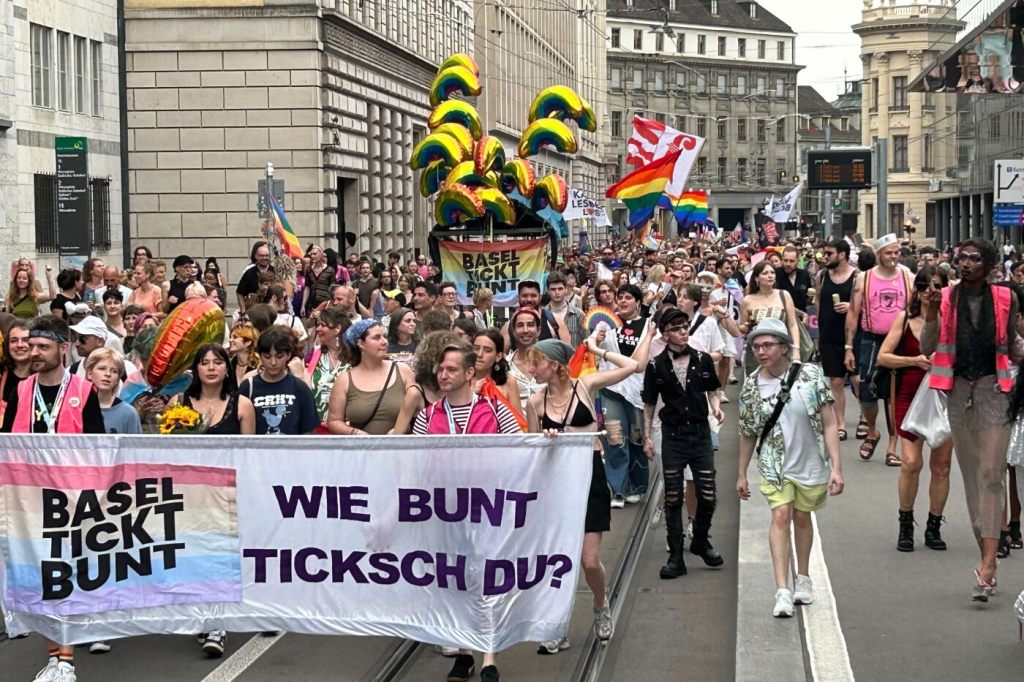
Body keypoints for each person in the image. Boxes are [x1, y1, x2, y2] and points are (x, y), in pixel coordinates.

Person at [1, 315, 104, 682]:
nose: (34, 352)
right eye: (31, 346)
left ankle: (66, 657)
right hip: (29, 500)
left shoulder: (84, 390)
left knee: (66, 574)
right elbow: (5, 443)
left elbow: (98, 447)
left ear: (63, 348)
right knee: (42, 576)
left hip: (71, 498)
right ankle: (57, 657)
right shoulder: (21, 390)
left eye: (43, 346)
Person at [920, 238, 1020, 601]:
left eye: (974, 259)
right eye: (961, 258)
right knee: (973, 479)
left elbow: (1011, 344)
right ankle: (985, 551)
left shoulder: (1006, 298)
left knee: (992, 476)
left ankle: (989, 563)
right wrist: (930, 313)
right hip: (958, 392)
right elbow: (927, 347)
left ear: (991, 265)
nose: (965, 264)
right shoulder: (945, 298)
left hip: (996, 390)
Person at [528, 336, 640, 651]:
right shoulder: (535, 402)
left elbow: (632, 365)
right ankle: (557, 623)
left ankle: (601, 602)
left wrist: (598, 350)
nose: (532, 369)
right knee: (559, 560)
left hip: (589, 475)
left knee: (589, 561)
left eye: (536, 362)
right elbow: (532, 450)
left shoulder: (585, 386)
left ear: (553, 364)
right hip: (556, 482)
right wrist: (546, 439)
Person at [737, 318, 844, 618]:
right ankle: (782, 589)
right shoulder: (751, 387)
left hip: (809, 460)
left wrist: (836, 466)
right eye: (756, 346)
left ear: (785, 348)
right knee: (781, 514)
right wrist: (742, 473)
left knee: (801, 515)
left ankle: (804, 577)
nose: (761, 351)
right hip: (774, 462)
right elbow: (747, 432)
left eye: (768, 345)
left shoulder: (810, 375)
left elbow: (830, 422)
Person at [642, 309, 725, 579]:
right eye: (677, 328)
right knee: (673, 496)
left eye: (685, 326)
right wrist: (646, 437)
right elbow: (649, 403)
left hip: (700, 433)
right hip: (673, 435)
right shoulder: (656, 365)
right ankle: (676, 557)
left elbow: (712, 388)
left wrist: (715, 407)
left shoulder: (702, 359)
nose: (683, 331)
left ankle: (700, 539)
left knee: (708, 494)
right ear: (666, 333)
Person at [877, 266, 954, 552]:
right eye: (924, 287)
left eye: (935, 286)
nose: (929, 293)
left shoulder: (952, 322)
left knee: (942, 466)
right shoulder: (904, 319)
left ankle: (934, 525)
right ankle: (906, 523)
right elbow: (883, 357)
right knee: (910, 462)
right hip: (908, 395)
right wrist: (915, 360)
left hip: (944, 395)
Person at [845, 234, 914, 463]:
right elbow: (854, 313)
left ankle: (892, 447)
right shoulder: (864, 279)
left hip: (900, 340)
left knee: (895, 393)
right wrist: (848, 347)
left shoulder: (907, 277)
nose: (893, 257)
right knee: (867, 393)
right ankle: (873, 431)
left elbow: (917, 309)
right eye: (888, 253)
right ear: (878, 255)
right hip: (872, 340)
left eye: (896, 252)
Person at [597, 284, 655, 508]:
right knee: (614, 438)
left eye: (628, 297)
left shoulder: (649, 326)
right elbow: (593, 345)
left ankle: (637, 486)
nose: (622, 301)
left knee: (637, 438)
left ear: (638, 301)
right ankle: (618, 489)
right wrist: (597, 339)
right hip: (610, 388)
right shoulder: (606, 323)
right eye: (619, 297)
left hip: (638, 392)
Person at [327, 319, 414, 436]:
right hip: (361, 451)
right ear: (361, 344)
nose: (384, 342)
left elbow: (418, 411)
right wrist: (355, 433)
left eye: (385, 336)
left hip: (399, 450)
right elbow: (334, 421)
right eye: (377, 337)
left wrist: (401, 429)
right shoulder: (345, 380)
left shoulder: (403, 371)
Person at [238, 328, 319, 435]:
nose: (273, 362)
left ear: (288, 355)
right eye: (267, 357)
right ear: (260, 355)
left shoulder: (300, 388)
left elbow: (308, 430)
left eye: (279, 356)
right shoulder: (248, 387)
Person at [816, 239, 857, 441]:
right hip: (828, 335)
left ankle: (866, 417)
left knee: (858, 380)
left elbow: (866, 304)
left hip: (853, 336)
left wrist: (851, 307)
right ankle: (840, 423)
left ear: (842, 255)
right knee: (836, 381)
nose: (826, 257)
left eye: (829, 253)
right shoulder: (823, 275)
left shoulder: (857, 277)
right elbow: (817, 299)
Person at [180, 343, 256, 437]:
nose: (211, 368)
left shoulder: (243, 405)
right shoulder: (178, 402)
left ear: (227, 368)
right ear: (196, 369)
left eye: (218, 363)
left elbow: (249, 449)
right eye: (204, 363)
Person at [738, 262, 801, 371]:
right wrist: (746, 326)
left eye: (772, 272)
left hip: (781, 351)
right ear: (757, 278)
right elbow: (742, 328)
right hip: (757, 353)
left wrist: (796, 349)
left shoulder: (784, 295)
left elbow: (793, 324)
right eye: (765, 273)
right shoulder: (747, 300)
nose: (770, 275)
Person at [305, 307, 349, 424]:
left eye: (323, 325)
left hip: (344, 428)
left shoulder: (355, 358)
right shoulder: (314, 354)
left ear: (337, 329)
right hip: (315, 426)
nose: (318, 328)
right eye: (318, 325)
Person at [471, 329, 524, 428]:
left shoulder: (508, 382)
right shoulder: (462, 380)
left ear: (498, 356)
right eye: (476, 348)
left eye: (487, 350)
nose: (479, 354)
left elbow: (518, 421)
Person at [86, 348, 141, 435]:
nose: (108, 374)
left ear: (118, 379)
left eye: (114, 371)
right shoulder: (77, 408)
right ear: (89, 373)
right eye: (102, 368)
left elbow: (135, 447)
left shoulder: (128, 413)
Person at [501, 280, 560, 351]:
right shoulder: (508, 326)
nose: (529, 299)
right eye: (525, 296)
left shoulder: (554, 320)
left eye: (533, 296)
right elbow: (501, 355)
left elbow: (568, 356)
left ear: (540, 297)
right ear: (518, 297)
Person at [505, 307, 545, 408]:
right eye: (520, 325)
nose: (525, 330)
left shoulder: (551, 364)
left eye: (530, 325)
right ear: (513, 332)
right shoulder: (505, 366)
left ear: (538, 330)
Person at [0, 320, 31, 422]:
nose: (19, 345)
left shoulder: (45, 375)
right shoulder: (1, 372)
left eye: (26, 340)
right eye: (13, 341)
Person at [545, 272, 584, 348]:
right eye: (553, 289)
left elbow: (586, 342)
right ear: (548, 291)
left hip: (574, 358)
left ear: (566, 289)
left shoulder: (578, 315)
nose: (557, 292)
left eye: (560, 289)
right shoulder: (541, 315)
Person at [775, 245, 814, 314]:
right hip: (782, 318)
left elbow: (808, 296)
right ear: (782, 259)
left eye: (792, 261)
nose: (788, 264)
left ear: (798, 261)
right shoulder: (775, 274)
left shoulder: (804, 274)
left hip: (801, 318)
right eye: (785, 260)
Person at [236, 241, 274, 312]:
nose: (264, 258)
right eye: (261, 255)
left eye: (266, 255)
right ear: (256, 256)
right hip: (253, 311)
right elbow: (239, 292)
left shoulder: (274, 271)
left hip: (271, 311)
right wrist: (243, 309)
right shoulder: (249, 273)